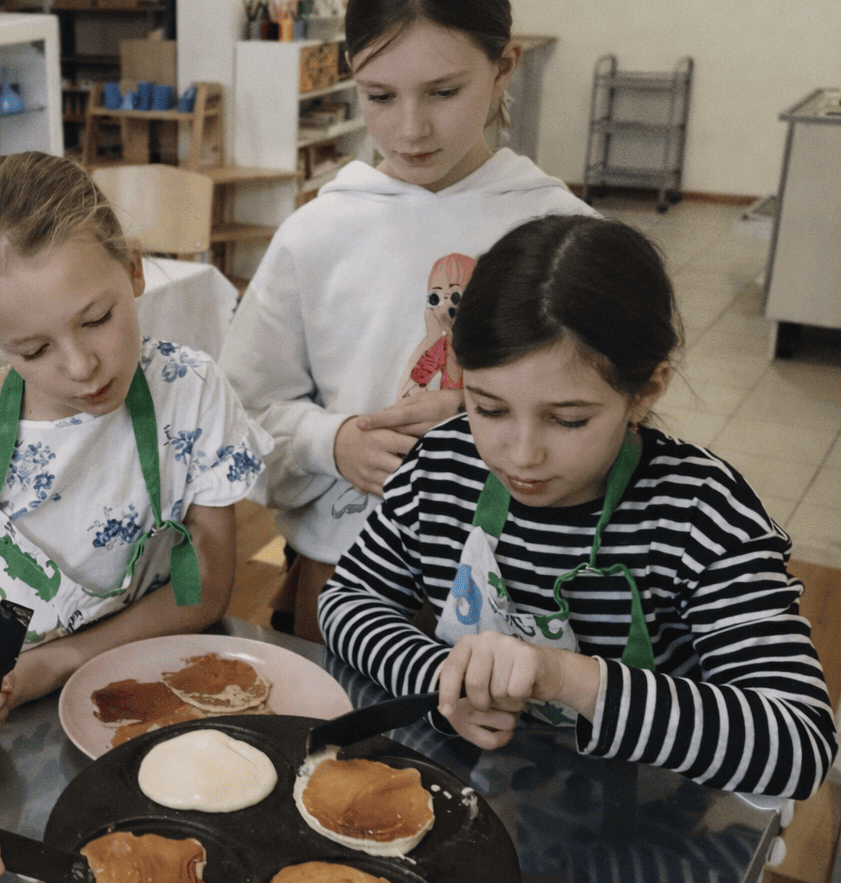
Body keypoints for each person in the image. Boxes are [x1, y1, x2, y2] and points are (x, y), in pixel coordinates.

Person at [320, 214, 838, 799]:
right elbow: (348, 600)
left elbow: (800, 744)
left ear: (645, 392)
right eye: (487, 409)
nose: (520, 454)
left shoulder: (699, 513)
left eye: (568, 419)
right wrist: (441, 680)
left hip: (648, 825)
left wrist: (569, 678)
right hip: (481, 798)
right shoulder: (442, 466)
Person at [220, 0, 596, 641]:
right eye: (380, 95)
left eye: (444, 91)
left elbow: (619, 414)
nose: (410, 128)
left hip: (527, 592)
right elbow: (241, 408)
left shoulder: (562, 233)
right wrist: (333, 443)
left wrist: (491, 415)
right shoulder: (317, 232)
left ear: (503, 67)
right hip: (348, 576)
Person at [0, 152, 269, 750]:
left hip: (120, 689)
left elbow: (201, 588)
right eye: (33, 350)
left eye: (96, 319)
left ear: (135, 269)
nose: (80, 366)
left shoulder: (188, 395)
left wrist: (59, 662)